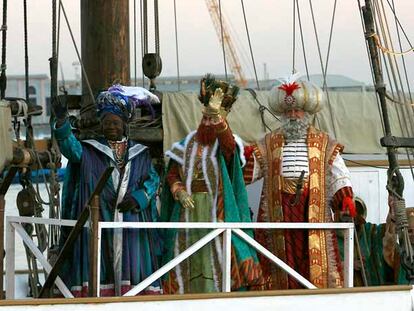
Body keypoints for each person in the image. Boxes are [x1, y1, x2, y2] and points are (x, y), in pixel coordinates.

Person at [243, 77, 356, 289]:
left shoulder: (323, 142)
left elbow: (337, 173)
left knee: (312, 255)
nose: (293, 116)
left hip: (311, 208)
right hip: (279, 211)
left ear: (306, 113)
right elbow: (248, 172)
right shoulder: (268, 142)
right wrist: (242, 158)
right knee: (279, 258)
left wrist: (345, 196)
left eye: (297, 111)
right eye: (288, 112)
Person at [53, 84, 161, 297]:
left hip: (132, 223)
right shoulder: (88, 150)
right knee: (98, 264)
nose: (111, 126)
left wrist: (140, 198)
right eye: (106, 122)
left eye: (115, 122)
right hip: (98, 220)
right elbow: (68, 147)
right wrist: (62, 122)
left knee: (134, 269)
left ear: (124, 124)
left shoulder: (141, 153)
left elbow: (153, 179)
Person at [161, 74, 263, 294]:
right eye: (205, 118)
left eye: (212, 118)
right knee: (186, 254)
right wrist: (178, 190)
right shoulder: (186, 143)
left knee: (216, 253)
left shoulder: (227, 143)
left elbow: (228, 149)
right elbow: (171, 173)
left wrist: (218, 119)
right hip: (187, 211)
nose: (207, 123)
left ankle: (217, 294)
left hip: (216, 210)